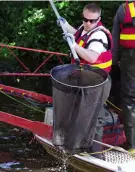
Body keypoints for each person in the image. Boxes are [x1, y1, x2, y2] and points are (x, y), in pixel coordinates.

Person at [57, 3, 113, 158]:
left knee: (95, 119)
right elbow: (79, 34)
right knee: (79, 113)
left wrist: (73, 45)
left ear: (98, 19)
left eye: (92, 21)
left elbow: (91, 56)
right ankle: (80, 148)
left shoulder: (100, 36)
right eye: (85, 19)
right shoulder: (85, 28)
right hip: (85, 79)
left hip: (98, 82)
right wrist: (66, 25)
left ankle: (96, 156)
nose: (88, 23)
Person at [112, 1, 135, 152]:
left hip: (130, 57)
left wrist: (113, 64)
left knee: (129, 98)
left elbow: (114, 38)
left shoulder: (124, 8)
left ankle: (133, 145)